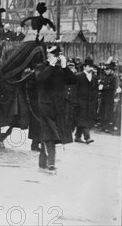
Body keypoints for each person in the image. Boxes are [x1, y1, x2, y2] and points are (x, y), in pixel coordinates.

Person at [35, 45, 77, 174]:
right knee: (50, 134)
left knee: (48, 134)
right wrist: (50, 67)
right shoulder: (41, 67)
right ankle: (51, 162)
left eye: (56, 55)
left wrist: (65, 67)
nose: (53, 57)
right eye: (52, 55)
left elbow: (72, 80)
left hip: (58, 107)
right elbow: (40, 78)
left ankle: (43, 162)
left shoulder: (60, 70)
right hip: (45, 106)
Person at [73, 58, 99, 144]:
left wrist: (95, 100)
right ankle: (87, 137)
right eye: (89, 66)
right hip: (81, 102)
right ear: (84, 67)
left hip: (90, 103)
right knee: (83, 119)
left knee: (84, 119)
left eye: (92, 67)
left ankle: (77, 136)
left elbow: (96, 90)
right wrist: (75, 101)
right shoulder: (78, 76)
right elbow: (75, 90)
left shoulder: (94, 78)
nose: (91, 68)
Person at [98, 60, 117, 132]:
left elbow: (112, 87)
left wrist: (103, 87)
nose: (106, 71)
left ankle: (108, 127)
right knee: (102, 111)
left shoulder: (113, 78)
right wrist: (100, 87)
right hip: (103, 97)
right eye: (106, 70)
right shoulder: (104, 77)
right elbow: (101, 84)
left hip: (109, 97)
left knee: (108, 112)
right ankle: (103, 125)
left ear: (111, 70)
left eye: (108, 70)